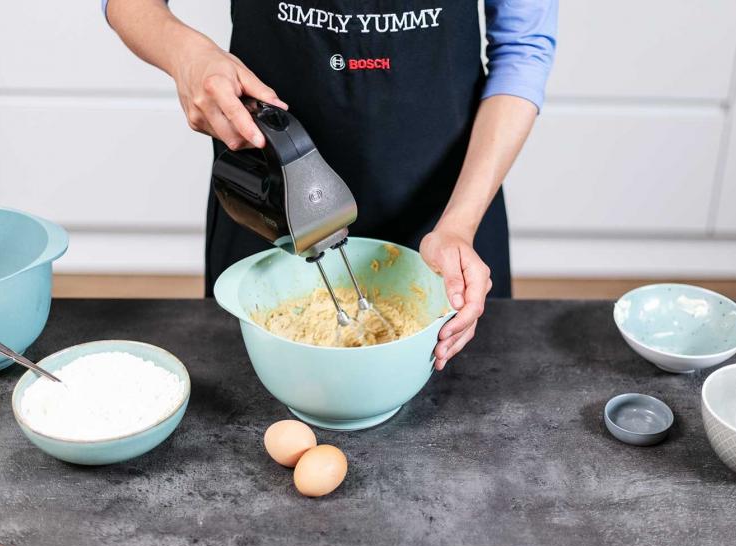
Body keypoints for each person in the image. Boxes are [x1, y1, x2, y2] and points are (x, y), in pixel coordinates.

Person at [105, 0, 557, 369]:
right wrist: (187, 55)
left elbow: (523, 48)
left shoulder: (455, 222)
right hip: (271, 202)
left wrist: (458, 224)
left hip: (449, 211)